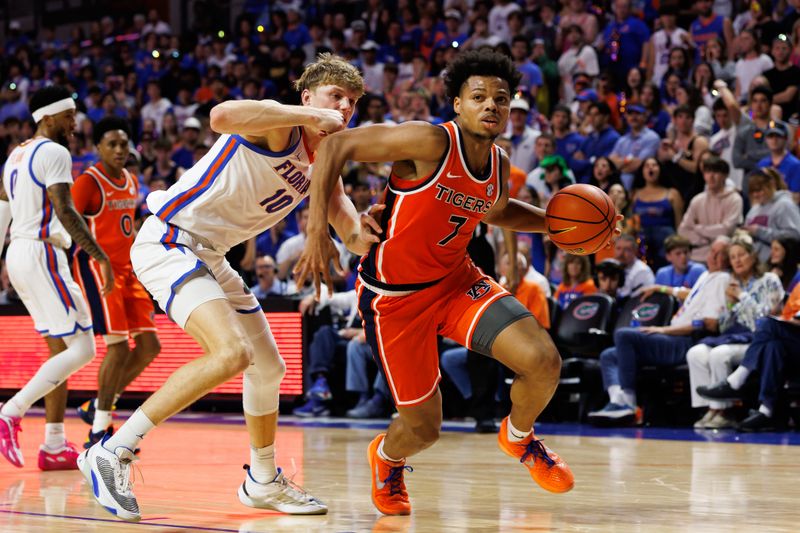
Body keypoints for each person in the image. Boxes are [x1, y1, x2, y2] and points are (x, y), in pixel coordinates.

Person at [296, 49, 617, 515]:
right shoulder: (427, 142)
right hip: (395, 299)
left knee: (544, 360)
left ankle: (520, 438)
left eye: (501, 99)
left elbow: (495, 210)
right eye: (480, 96)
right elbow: (333, 147)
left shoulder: (499, 164)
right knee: (425, 428)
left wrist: (559, 224)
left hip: (454, 282)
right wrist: (317, 233)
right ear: (458, 104)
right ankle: (387, 457)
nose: (491, 105)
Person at [79, 54, 379, 521]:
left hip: (211, 254)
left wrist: (376, 226)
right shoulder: (279, 126)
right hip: (169, 238)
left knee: (269, 369)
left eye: (353, 102)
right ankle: (112, 450)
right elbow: (219, 116)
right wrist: (306, 115)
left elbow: (355, 239)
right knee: (231, 354)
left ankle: (261, 481)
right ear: (307, 97)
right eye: (335, 97)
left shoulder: (326, 166)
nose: (344, 109)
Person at [0, 86, 113, 470]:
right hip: (43, 252)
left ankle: (53, 445)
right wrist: (101, 256)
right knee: (82, 349)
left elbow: (2, 206)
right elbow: (65, 210)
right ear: (49, 118)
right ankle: (10, 412)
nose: (75, 122)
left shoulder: (16, 154)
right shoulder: (54, 151)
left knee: (60, 352)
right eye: (69, 116)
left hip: (19, 252)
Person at [70, 117, 161, 447]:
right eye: (112, 144)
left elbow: (126, 226)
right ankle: (99, 429)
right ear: (98, 148)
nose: (120, 150)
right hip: (98, 268)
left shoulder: (132, 180)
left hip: (128, 268)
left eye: (124, 144)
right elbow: (70, 225)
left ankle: (95, 405)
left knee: (151, 347)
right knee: (119, 348)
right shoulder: (87, 182)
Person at [588, 236, 732, 425]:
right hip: (673, 335)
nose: (713, 256)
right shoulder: (707, 275)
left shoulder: (722, 279)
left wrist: (663, 330)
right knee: (609, 355)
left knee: (624, 335)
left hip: (685, 340)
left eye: (720, 254)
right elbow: (692, 295)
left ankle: (630, 405)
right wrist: (662, 288)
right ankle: (617, 402)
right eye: (713, 251)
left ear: (727, 259)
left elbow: (707, 323)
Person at [686, 234, 784, 429]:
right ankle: (710, 409)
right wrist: (729, 307)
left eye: (741, 255)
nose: (737, 260)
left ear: (753, 256)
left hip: (757, 341)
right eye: (732, 257)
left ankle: (725, 412)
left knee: (719, 354)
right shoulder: (731, 284)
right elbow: (723, 327)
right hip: (733, 336)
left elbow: (765, 321)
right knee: (695, 353)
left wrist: (742, 296)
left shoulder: (769, 280)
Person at [697, 281, 800, 431]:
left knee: (766, 323)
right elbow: (789, 314)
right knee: (773, 346)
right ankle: (767, 411)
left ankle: (736, 381)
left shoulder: (769, 280)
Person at [678, 156, 743, 264]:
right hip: (696, 256)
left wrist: (699, 228)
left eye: (716, 172)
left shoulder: (734, 199)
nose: (711, 177)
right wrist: (703, 241)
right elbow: (683, 230)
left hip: (723, 258)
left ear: (725, 176)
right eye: (707, 172)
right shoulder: (697, 200)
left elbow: (726, 230)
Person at [742, 169, 800, 262]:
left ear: (770, 185)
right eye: (752, 191)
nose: (756, 195)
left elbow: (794, 235)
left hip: (778, 264)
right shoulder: (753, 210)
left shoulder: (784, 205)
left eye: (759, 190)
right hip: (755, 263)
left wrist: (760, 231)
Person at [609, 104, 661, 190]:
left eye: (637, 113)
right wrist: (628, 161)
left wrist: (620, 164)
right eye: (630, 113)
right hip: (620, 185)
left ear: (645, 117)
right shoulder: (622, 139)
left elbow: (639, 165)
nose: (633, 117)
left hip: (640, 185)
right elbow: (611, 163)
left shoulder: (652, 137)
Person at [757, 122, 800, 199]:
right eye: (770, 136)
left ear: (786, 138)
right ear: (766, 139)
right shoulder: (762, 164)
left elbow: (797, 196)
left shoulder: (795, 165)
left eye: (778, 136)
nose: (774, 139)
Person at [614, 233, 655, 299]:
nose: (621, 253)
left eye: (626, 249)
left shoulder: (642, 271)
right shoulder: (612, 266)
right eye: (618, 248)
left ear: (635, 251)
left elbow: (637, 299)